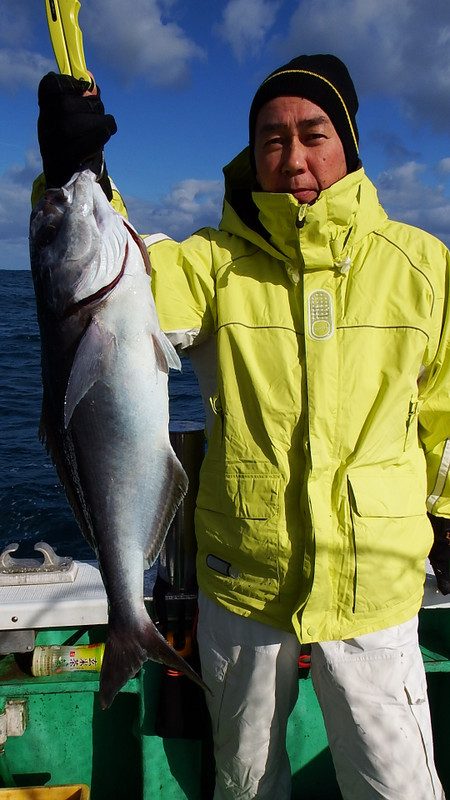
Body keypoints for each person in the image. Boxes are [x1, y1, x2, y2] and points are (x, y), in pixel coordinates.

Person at [35, 54, 450, 800]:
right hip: (243, 585)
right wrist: (76, 174)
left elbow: (448, 415)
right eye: (271, 139)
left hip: (377, 589)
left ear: (348, 143)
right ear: (252, 155)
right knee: (246, 784)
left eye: (312, 133)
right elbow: (114, 278)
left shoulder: (423, 266)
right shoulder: (216, 263)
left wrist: (448, 520)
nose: (292, 157)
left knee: (398, 788)